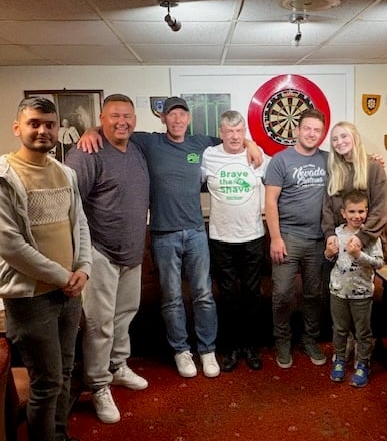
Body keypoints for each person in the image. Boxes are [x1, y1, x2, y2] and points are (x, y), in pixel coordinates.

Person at [77, 96, 262, 379]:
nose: (177, 120)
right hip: (163, 235)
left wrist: (250, 143)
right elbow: (114, 126)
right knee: (172, 297)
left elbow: (232, 138)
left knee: (203, 295)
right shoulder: (149, 143)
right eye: (171, 115)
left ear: (188, 119)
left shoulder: (201, 144)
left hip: (197, 232)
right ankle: (181, 351)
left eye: (182, 115)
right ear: (163, 119)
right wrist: (89, 131)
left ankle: (207, 350)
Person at [0, 97, 91, 441]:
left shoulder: (65, 172)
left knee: (67, 373)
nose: (43, 130)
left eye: (49, 124)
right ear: (18, 128)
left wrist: (83, 268)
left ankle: (59, 435)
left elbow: (80, 226)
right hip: (31, 299)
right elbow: (11, 246)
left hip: (69, 293)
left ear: (58, 129)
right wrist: (63, 277)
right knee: (46, 383)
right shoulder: (0, 178)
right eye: (34, 123)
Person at [64, 94, 149, 424]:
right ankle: (98, 385)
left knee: (125, 315)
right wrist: (81, 257)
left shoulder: (137, 148)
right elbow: (70, 205)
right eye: (114, 116)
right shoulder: (87, 152)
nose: (122, 121)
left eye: (127, 115)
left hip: (131, 251)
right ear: (102, 118)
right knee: (99, 324)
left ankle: (117, 367)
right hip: (100, 251)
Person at [201, 110, 269, 372]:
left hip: (252, 237)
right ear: (221, 133)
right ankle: (232, 349)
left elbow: (281, 177)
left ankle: (251, 347)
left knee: (252, 295)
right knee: (227, 296)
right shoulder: (209, 155)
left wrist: (253, 144)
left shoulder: (256, 155)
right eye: (229, 132)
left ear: (245, 133)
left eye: (239, 132)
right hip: (221, 238)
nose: (234, 136)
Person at [264, 108, 329, 368]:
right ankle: (282, 341)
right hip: (288, 238)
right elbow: (270, 201)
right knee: (281, 294)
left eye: (317, 130)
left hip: (319, 240)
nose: (312, 134)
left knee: (314, 295)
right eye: (308, 129)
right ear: (297, 130)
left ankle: (310, 340)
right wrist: (275, 238)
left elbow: (356, 166)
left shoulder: (329, 159)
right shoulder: (280, 160)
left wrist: (375, 161)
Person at [321, 121, 387, 361]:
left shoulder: (373, 168)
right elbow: (328, 209)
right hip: (339, 244)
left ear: (355, 137)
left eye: (344, 136)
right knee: (340, 294)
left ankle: (363, 351)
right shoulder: (335, 170)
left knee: (360, 297)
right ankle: (345, 342)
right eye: (335, 139)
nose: (340, 142)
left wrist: (360, 239)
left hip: (366, 241)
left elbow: (380, 210)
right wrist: (330, 235)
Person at [324, 189, 384, 387]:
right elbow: (331, 258)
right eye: (352, 212)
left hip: (362, 292)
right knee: (340, 329)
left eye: (361, 212)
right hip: (338, 291)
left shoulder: (370, 235)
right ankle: (340, 359)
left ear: (367, 212)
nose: (356, 216)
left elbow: (379, 263)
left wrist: (359, 255)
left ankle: (363, 363)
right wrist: (328, 253)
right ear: (343, 213)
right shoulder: (338, 234)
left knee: (362, 331)